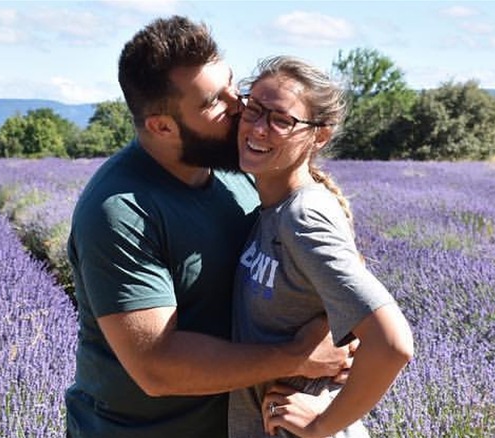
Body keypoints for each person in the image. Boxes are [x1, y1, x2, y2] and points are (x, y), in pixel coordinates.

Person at [65, 17, 351, 438]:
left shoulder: (237, 167)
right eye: (214, 102)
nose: (240, 105)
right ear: (162, 126)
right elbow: (156, 367)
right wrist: (298, 356)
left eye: (233, 84)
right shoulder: (121, 211)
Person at [228, 56, 415, 438]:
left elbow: (393, 343)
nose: (258, 128)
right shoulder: (271, 210)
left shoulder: (303, 216)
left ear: (320, 135)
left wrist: (321, 425)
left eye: (281, 120)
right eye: (254, 110)